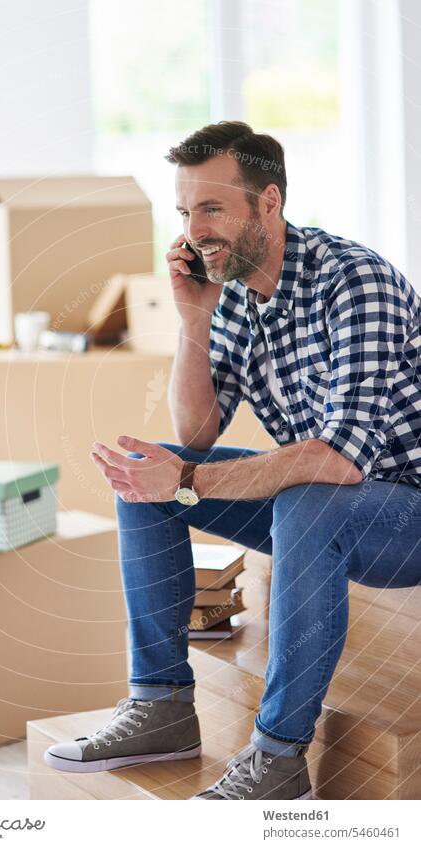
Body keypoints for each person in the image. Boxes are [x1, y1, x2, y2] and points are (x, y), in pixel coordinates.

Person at [44, 121, 421, 800]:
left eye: (212, 208)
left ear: (268, 204)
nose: (194, 229)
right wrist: (193, 319)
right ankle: (160, 704)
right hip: (333, 498)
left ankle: (277, 760)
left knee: (301, 492)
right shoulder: (236, 294)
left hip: (405, 511)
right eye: (186, 211)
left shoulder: (354, 281)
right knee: (149, 470)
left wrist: (187, 476)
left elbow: (339, 460)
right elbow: (197, 428)